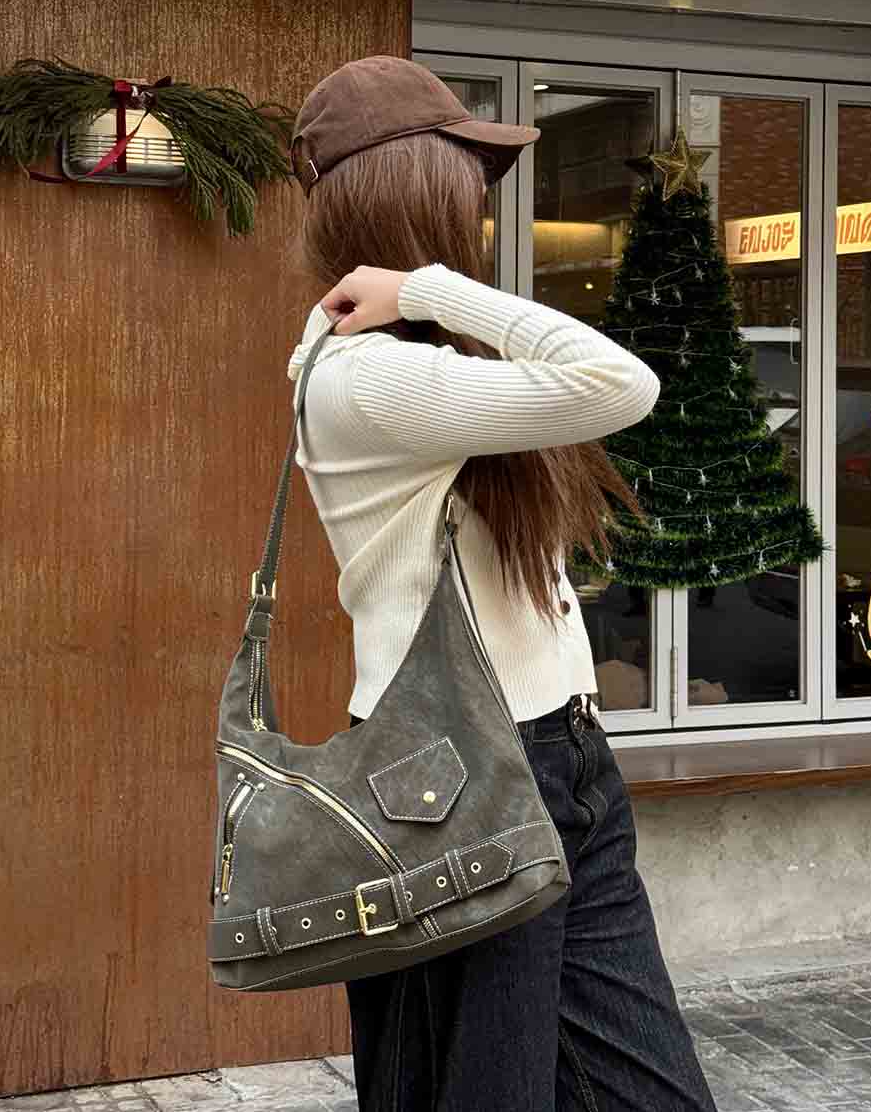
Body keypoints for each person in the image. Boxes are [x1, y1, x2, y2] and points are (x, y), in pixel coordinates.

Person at [285, 55, 717, 1112]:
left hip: (558, 759)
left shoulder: (415, 360)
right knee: (484, 1089)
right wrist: (427, 287)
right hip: (463, 779)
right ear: (413, 194)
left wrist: (427, 300)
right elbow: (622, 384)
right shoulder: (365, 374)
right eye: (465, 185)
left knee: (642, 1089)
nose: (479, 209)